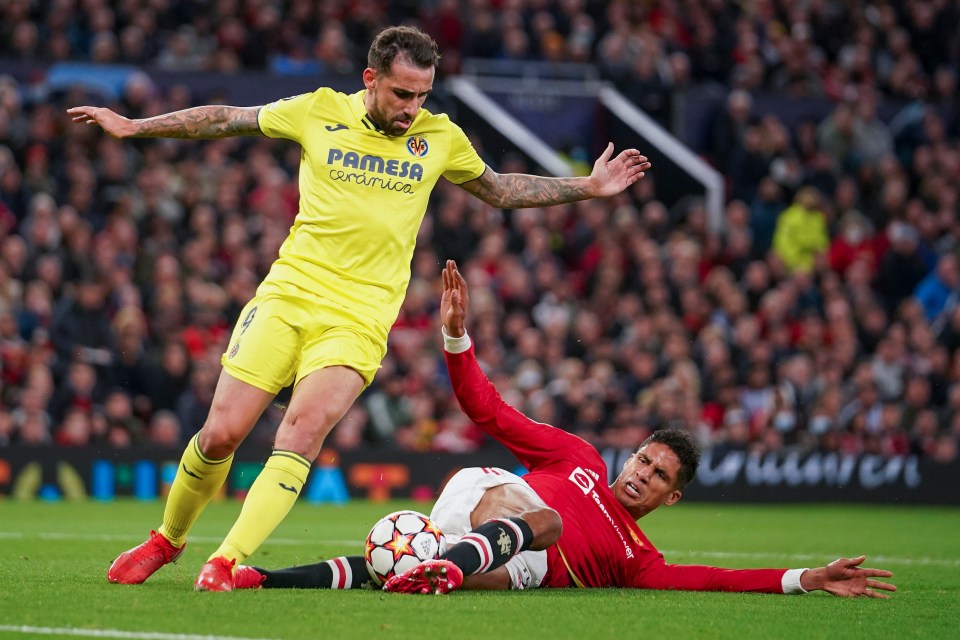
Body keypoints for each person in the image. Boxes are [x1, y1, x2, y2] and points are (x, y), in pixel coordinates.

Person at [67, 26, 650, 592]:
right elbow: (226, 118)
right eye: (401, 94)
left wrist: (586, 187)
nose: (412, 108)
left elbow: (498, 189)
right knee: (220, 435)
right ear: (370, 79)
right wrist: (134, 126)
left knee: (300, 432)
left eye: (423, 95)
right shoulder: (318, 109)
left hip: (359, 319)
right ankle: (167, 540)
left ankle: (225, 561)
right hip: (288, 294)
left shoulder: (439, 137)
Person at [230, 261, 896, 598]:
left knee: (400, 562)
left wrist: (803, 578)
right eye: (643, 459)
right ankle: (445, 567)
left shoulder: (638, 559)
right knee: (543, 524)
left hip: (503, 560)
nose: (641, 472)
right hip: (492, 499)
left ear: (672, 498)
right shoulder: (577, 457)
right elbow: (490, 413)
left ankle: (265, 578)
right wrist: (457, 341)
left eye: (659, 475)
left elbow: (714, 580)